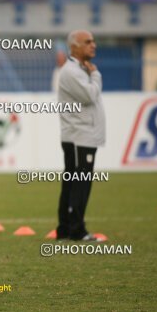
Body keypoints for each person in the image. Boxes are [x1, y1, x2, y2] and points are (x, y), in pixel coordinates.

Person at [56, 30, 106, 241]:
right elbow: (90, 95)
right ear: (74, 47)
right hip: (79, 137)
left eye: (93, 41)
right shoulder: (72, 72)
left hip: (80, 136)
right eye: (88, 42)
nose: (93, 45)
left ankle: (66, 228)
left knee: (72, 182)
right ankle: (76, 229)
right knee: (79, 183)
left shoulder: (77, 70)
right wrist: (95, 74)